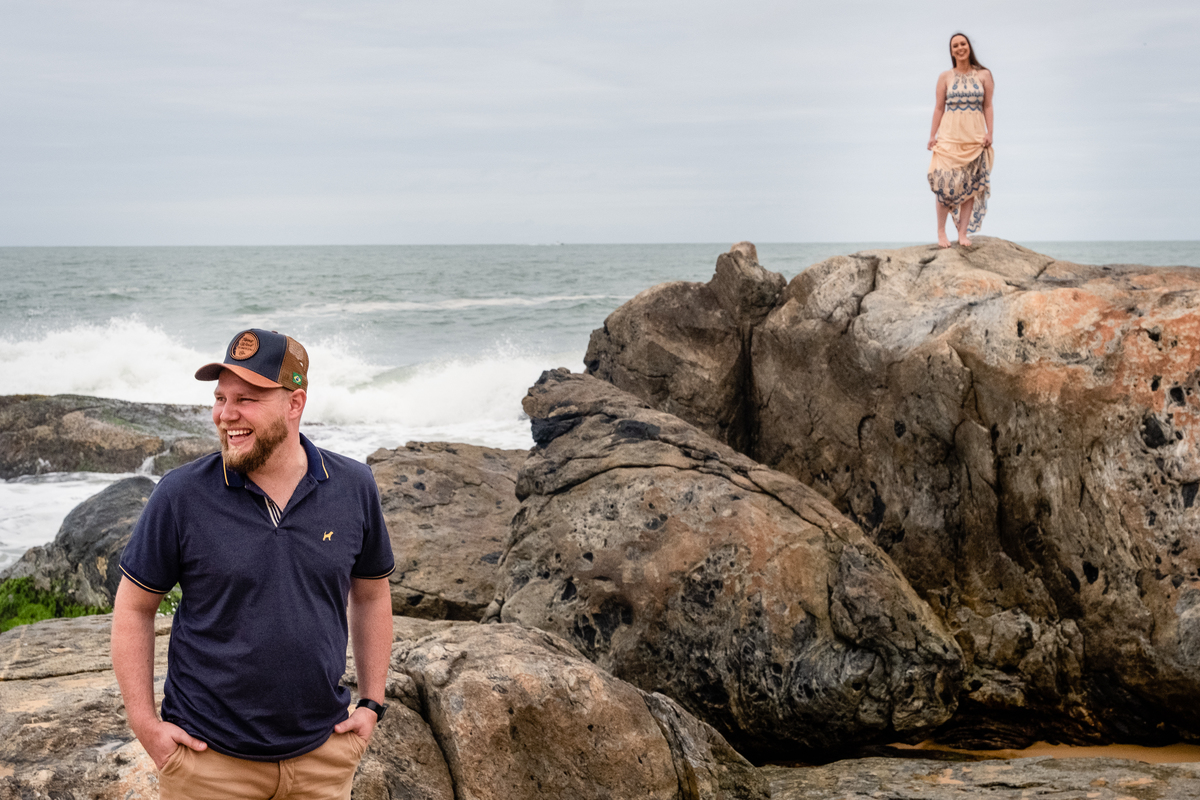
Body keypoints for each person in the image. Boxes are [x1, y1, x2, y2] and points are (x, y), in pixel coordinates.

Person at [110, 328, 396, 800]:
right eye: (221, 398)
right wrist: (145, 724)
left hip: (322, 759)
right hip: (209, 765)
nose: (226, 415)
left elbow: (370, 593)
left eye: (247, 398)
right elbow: (134, 608)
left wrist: (372, 703)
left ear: (294, 403)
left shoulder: (353, 486)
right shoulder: (181, 495)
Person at [927, 32, 994, 248]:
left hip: (974, 136)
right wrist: (932, 135)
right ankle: (941, 232)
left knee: (970, 184)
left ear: (969, 47)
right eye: (955, 45)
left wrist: (989, 133)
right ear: (952, 50)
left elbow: (988, 106)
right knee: (944, 182)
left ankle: (962, 233)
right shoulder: (945, 77)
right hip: (949, 135)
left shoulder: (984, 75)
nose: (960, 48)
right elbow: (939, 107)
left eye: (963, 44)